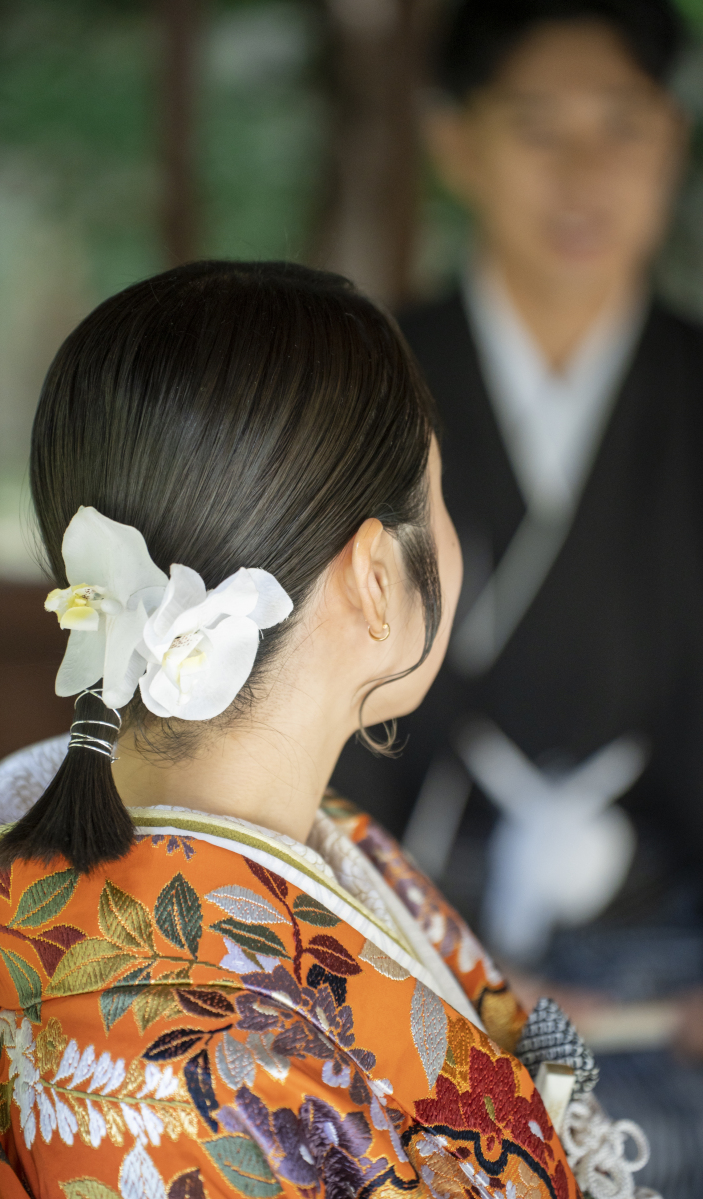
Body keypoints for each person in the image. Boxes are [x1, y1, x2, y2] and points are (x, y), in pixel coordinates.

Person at [0, 261, 617, 1197]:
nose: (451, 534)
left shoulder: (324, 847)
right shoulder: (207, 1087)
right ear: (373, 576)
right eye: (437, 495)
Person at [332, 2, 703, 1193]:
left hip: (671, 953)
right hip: (410, 928)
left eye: (622, 129)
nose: (584, 173)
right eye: (539, 129)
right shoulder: (362, 385)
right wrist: (398, 945)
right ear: (456, 146)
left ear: (673, 143)